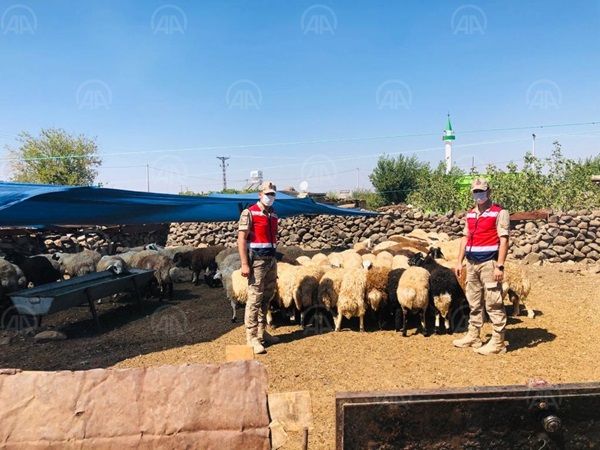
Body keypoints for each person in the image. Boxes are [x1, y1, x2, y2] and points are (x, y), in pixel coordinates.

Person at [452, 178, 510, 355]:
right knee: (474, 301)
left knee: (493, 302)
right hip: (471, 262)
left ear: (488, 192)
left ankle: (498, 341)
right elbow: (465, 237)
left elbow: (504, 240)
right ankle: (473, 335)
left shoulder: (499, 213)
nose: (478, 194)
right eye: (476, 191)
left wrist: (499, 265)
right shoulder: (470, 214)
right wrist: (459, 261)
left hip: (489, 262)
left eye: (481, 191)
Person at [237, 181, 280, 355]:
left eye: (273, 194)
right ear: (260, 194)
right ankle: (251, 337)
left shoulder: (274, 214)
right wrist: (244, 264)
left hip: (271, 260)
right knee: (254, 299)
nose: (270, 197)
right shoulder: (249, 212)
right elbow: (241, 239)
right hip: (257, 262)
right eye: (267, 194)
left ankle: (262, 332)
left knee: (267, 297)